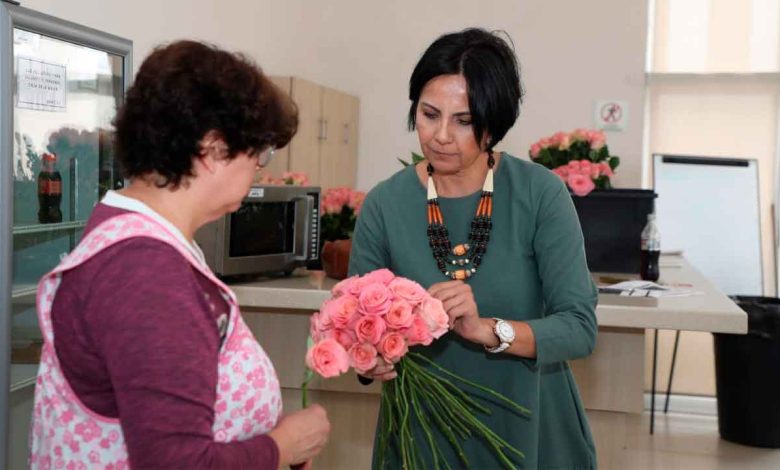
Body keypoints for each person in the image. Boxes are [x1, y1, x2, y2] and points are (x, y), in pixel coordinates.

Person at [29, 40, 330, 469]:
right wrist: (282, 446)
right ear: (212, 150)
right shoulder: (145, 272)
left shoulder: (138, 232)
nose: (259, 169)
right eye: (259, 153)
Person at [349, 28, 598, 469]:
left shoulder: (539, 193)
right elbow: (359, 328)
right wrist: (370, 360)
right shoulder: (385, 204)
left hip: (527, 421)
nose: (441, 135)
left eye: (464, 121)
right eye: (429, 114)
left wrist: (487, 330)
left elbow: (579, 327)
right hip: (422, 430)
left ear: (494, 124)